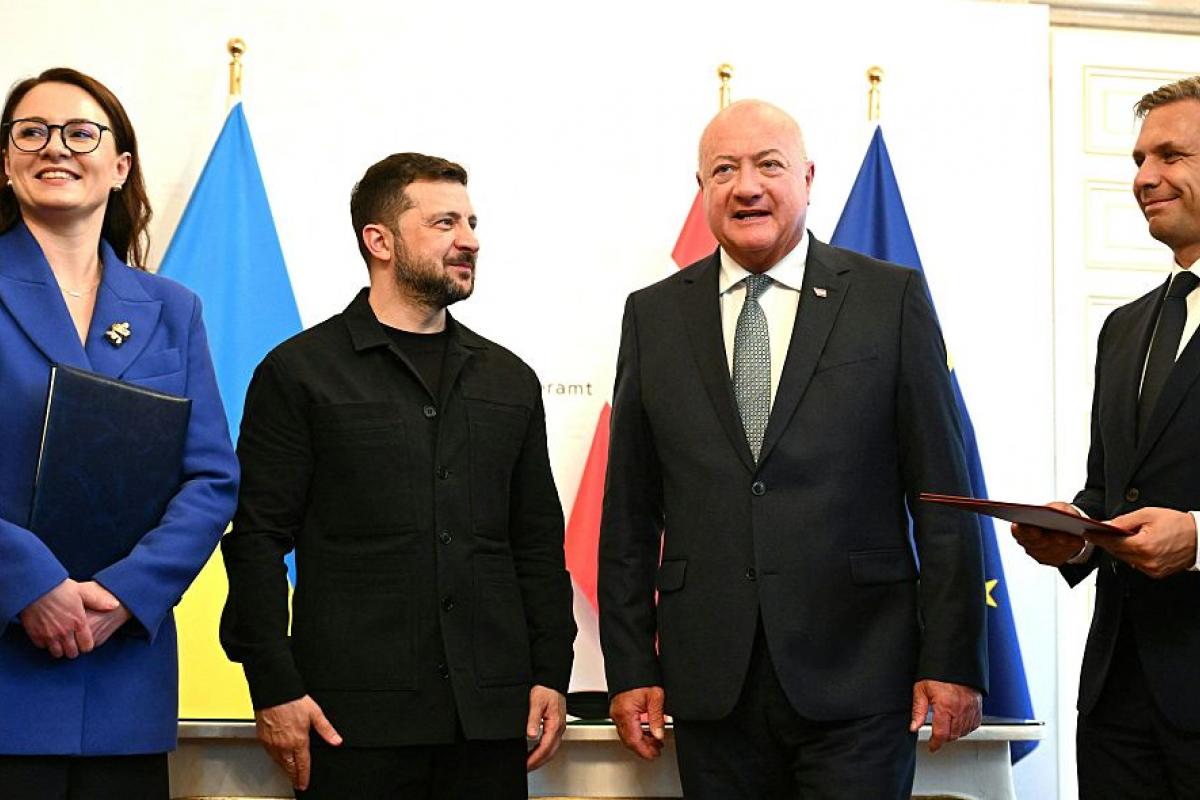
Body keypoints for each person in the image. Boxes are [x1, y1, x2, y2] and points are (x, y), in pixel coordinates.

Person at [598, 99, 987, 799]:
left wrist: (953, 658)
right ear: (701, 188)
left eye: (768, 165)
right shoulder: (652, 315)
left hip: (861, 672)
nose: (746, 186)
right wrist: (629, 667)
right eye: (724, 170)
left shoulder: (889, 299)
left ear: (808, 178)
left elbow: (943, 496)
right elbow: (628, 513)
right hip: (712, 682)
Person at [220, 152, 576, 799]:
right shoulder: (298, 373)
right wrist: (273, 685)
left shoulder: (510, 381)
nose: (470, 240)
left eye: (470, 222)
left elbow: (535, 544)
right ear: (379, 241)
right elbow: (258, 541)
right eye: (444, 223)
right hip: (350, 727)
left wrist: (552, 670)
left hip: (489, 725)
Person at [0, 68, 239, 799]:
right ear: (5, 163)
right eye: (31, 133)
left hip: (123, 674)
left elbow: (211, 479)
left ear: (120, 165)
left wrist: (126, 593)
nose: (56, 148)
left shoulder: (173, 309)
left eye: (81, 133)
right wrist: (29, 582)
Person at [1011, 76, 1200, 799]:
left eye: (1170, 156)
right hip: (1118, 701)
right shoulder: (1124, 329)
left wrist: (1198, 538)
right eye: (1139, 159)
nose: (1144, 178)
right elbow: (1110, 490)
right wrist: (1077, 537)